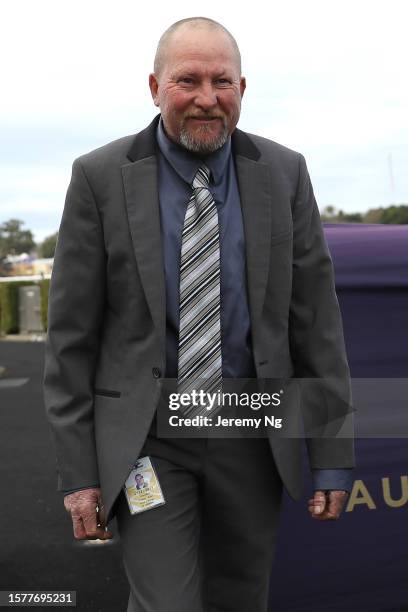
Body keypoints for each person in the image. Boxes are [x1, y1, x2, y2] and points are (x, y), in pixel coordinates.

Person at [43, 16, 355, 612]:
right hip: (149, 444)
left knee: (241, 598)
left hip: (253, 433)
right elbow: (71, 341)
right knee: (168, 602)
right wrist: (78, 475)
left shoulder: (285, 174)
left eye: (223, 81)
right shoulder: (99, 178)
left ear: (244, 88)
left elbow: (316, 324)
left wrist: (334, 457)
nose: (207, 99)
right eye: (188, 81)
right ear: (155, 86)